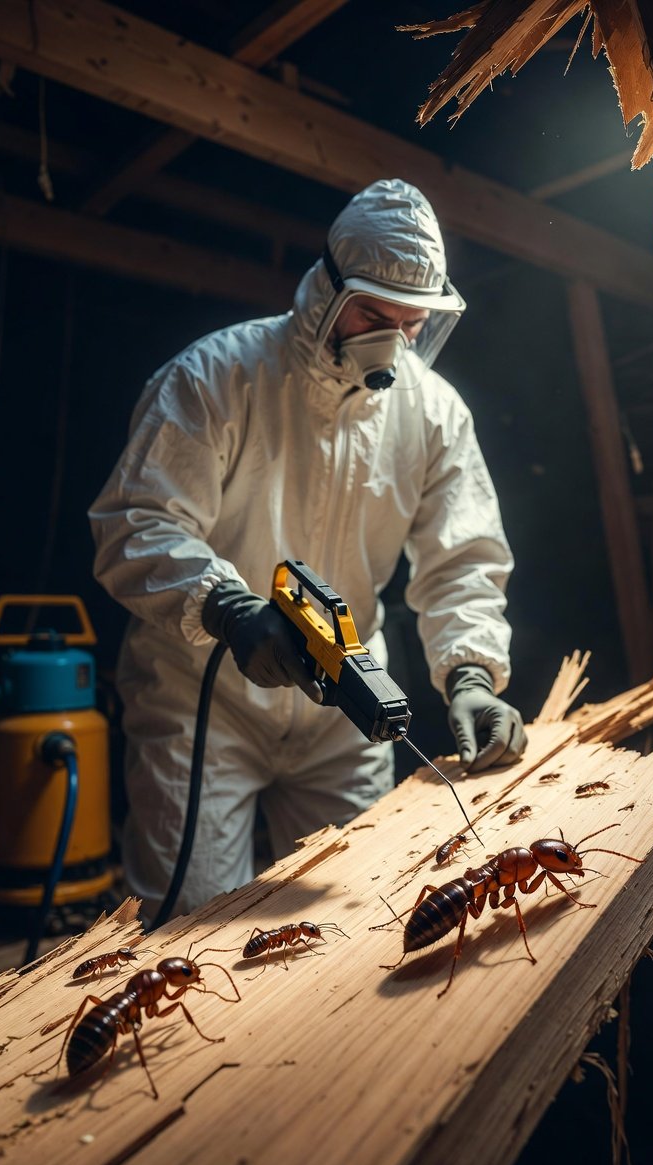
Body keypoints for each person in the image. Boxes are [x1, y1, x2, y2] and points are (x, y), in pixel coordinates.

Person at [89, 177, 526, 922]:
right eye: (372, 315)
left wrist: (472, 674)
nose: (389, 341)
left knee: (347, 924)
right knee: (186, 932)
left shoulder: (433, 413)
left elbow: (463, 557)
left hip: (342, 715)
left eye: (410, 323)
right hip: (206, 702)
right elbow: (139, 522)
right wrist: (226, 608)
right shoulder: (217, 377)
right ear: (325, 290)